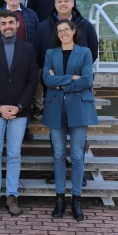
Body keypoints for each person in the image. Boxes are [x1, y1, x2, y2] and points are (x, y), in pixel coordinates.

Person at [33, 0, 99, 185]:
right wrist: (69, 78)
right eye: (59, 1)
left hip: (79, 93)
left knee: (78, 142)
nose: (62, 4)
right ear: (55, 4)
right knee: (58, 137)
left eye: (66, 0)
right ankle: (58, 171)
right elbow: (39, 54)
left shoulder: (86, 26)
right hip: (55, 93)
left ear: (73, 3)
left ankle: (79, 174)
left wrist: (63, 81)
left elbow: (92, 52)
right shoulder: (44, 27)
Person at [0, 10, 38, 217]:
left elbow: (32, 81)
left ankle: (12, 196)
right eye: (3, 23)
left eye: (11, 22)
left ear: (17, 24)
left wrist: (19, 106)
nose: (7, 26)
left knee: (14, 155)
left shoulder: (29, 49)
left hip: (19, 112)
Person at [42, 20, 98, 222]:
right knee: (58, 155)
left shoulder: (85, 53)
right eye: (60, 31)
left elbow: (87, 80)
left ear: (74, 31)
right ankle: (59, 200)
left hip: (79, 108)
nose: (63, 33)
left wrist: (61, 82)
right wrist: (71, 78)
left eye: (66, 30)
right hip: (56, 108)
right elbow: (46, 80)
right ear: (56, 34)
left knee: (76, 156)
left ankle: (76, 200)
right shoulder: (50, 53)